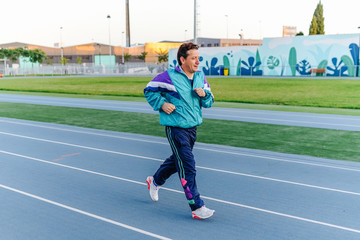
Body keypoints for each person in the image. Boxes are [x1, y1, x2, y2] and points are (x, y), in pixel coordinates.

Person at [144, 42, 215, 219]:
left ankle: (155, 180)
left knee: (178, 161)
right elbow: (149, 91)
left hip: (192, 128)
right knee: (188, 166)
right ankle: (197, 207)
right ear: (183, 60)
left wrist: (204, 95)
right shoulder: (168, 77)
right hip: (176, 128)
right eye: (193, 58)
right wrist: (162, 104)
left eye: (199, 58)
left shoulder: (200, 76)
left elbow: (209, 101)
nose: (198, 62)